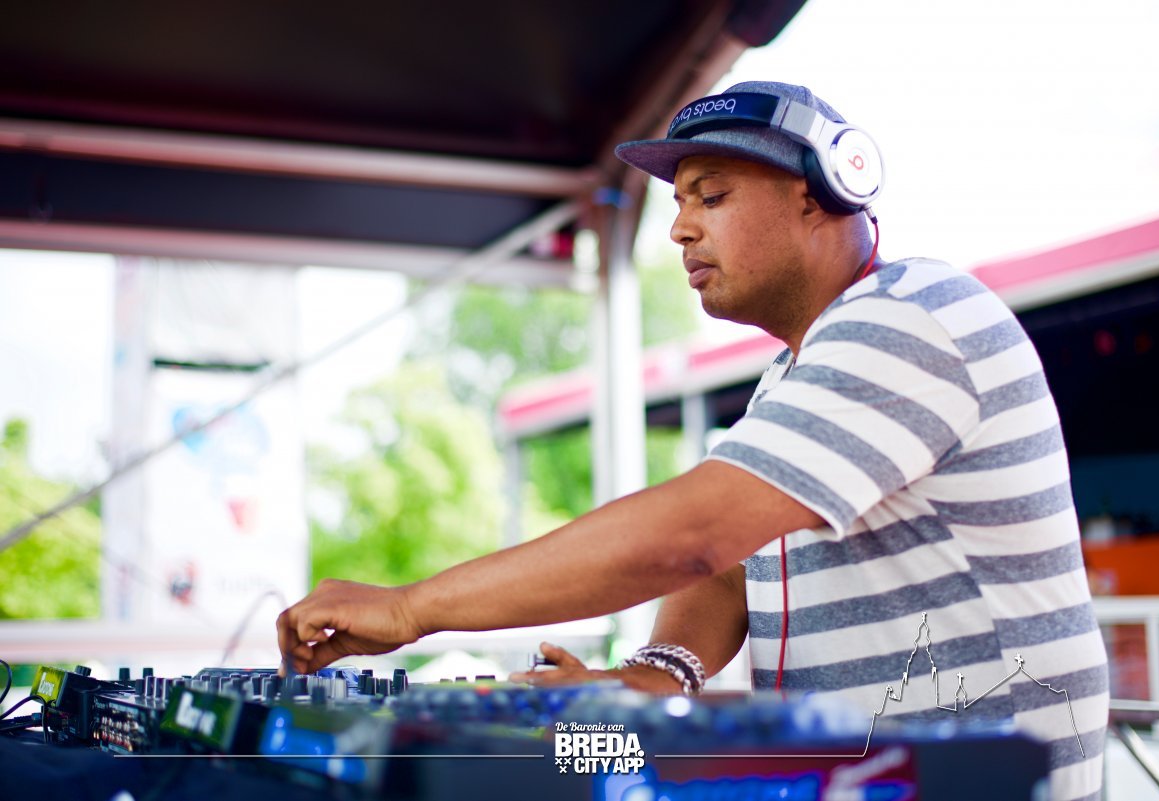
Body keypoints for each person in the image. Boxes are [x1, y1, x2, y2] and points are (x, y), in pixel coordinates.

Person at [277, 81, 1108, 800]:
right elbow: (731, 566)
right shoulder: (791, 376)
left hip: (980, 782)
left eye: (710, 196)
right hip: (858, 775)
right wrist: (659, 672)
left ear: (815, 193)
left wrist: (410, 608)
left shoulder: (910, 315)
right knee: (549, 760)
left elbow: (692, 535)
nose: (678, 229)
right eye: (677, 204)